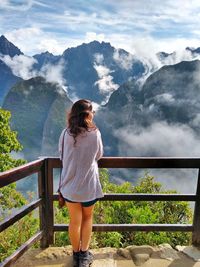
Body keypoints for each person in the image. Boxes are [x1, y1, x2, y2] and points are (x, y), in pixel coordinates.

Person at [58, 99, 104, 267]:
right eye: (92, 112)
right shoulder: (95, 133)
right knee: (87, 218)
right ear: (88, 114)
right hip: (89, 186)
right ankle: (84, 255)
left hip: (70, 186)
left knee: (74, 221)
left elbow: (61, 155)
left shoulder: (65, 133)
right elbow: (99, 155)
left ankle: (76, 253)